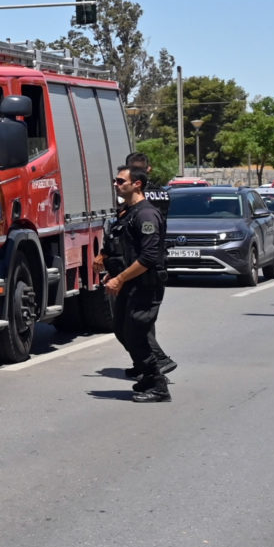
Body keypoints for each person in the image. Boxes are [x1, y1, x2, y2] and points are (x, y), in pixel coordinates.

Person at [99, 161, 175, 402]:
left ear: (137, 184)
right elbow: (123, 247)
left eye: (121, 181)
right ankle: (146, 375)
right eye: (116, 180)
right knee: (122, 330)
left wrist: (120, 278)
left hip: (145, 285)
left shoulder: (146, 214)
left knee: (136, 334)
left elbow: (149, 257)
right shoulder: (129, 212)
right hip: (128, 283)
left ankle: (158, 384)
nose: (116, 184)